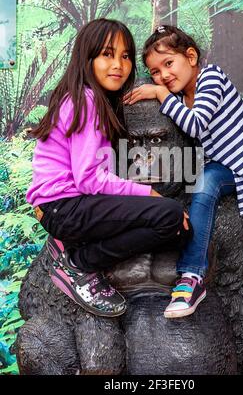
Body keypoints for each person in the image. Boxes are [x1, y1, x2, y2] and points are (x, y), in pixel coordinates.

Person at [123, 25, 243, 375]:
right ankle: (191, 277)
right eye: (155, 71)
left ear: (191, 58)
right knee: (207, 178)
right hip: (232, 174)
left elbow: (197, 126)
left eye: (169, 64)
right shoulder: (180, 100)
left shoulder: (212, 78)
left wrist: (159, 93)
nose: (163, 75)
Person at [26, 19, 191, 320]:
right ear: (86, 59)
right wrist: (148, 194)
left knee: (175, 226)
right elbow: (89, 179)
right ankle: (80, 262)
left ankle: (77, 248)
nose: (119, 65)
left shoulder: (90, 99)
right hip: (65, 207)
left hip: (67, 206)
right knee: (168, 216)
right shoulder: (86, 101)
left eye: (125, 56)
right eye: (107, 54)